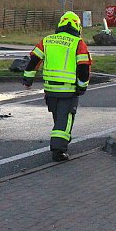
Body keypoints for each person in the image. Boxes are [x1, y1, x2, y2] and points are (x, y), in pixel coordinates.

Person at [22, 11, 92, 162]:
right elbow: (83, 68)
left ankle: (59, 142)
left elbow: (34, 60)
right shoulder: (78, 43)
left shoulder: (47, 40)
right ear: (77, 27)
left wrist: (28, 80)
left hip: (50, 89)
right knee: (65, 119)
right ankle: (58, 151)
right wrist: (82, 86)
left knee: (58, 118)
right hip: (68, 89)